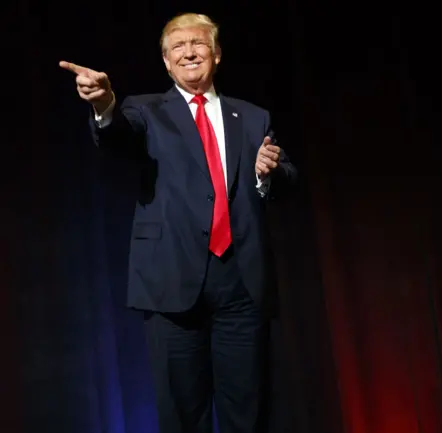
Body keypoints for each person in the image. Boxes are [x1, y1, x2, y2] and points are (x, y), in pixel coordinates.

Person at [60, 12, 298, 433]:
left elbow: (284, 179)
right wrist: (103, 103)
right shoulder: (144, 110)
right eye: (178, 48)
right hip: (171, 281)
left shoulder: (253, 116)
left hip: (241, 283)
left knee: (249, 411)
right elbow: (117, 136)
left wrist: (268, 175)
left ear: (217, 54)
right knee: (183, 415)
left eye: (199, 43)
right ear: (167, 63)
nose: (189, 52)